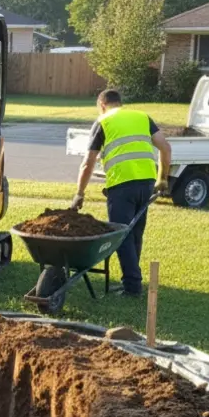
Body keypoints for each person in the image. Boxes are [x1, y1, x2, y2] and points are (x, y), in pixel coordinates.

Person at [71, 89, 171, 297]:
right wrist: (162, 178)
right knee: (135, 233)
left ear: (102, 105)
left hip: (122, 184)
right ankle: (132, 280)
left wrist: (79, 193)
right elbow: (166, 147)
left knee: (121, 235)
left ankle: (132, 287)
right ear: (120, 102)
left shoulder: (103, 121)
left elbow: (88, 162)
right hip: (146, 182)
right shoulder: (142, 117)